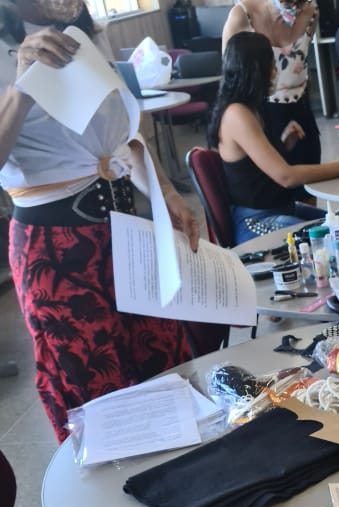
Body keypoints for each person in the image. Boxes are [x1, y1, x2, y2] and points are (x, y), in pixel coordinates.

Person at [0, 0, 199, 442]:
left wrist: (166, 194)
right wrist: (21, 89)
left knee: (165, 369)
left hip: (125, 229)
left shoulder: (86, 30)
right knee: (95, 393)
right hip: (54, 248)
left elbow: (121, 136)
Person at [209, 31, 339, 243]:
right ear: (256, 71)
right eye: (272, 66)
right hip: (256, 221)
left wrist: (282, 145)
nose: (275, 73)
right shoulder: (236, 114)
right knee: (333, 237)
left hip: (281, 209)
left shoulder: (250, 108)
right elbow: (286, 177)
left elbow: (253, 169)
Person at [222, 0, 321, 165]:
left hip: (300, 112)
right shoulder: (241, 15)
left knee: (311, 173)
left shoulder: (311, 10)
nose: (295, 7)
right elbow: (229, 79)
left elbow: (297, 64)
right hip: (259, 115)